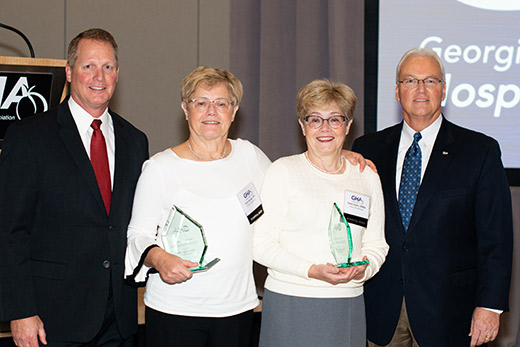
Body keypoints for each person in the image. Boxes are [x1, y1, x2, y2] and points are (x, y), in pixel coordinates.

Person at [352, 47, 513, 347]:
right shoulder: (367, 149)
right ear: (397, 92)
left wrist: (490, 306)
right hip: (380, 308)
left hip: (451, 312)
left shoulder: (479, 151)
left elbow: (497, 239)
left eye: (431, 80)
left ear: (444, 90)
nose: (421, 89)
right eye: (410, 81)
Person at [0, 28, 149, 347]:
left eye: (108, 67)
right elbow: (9, 231)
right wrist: (20, 311)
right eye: (88, 66)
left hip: (119, 320)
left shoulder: (135, 141)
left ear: (117, 74)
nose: (99, 76)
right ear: (69, 72)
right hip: (53, 320)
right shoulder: (29, 137)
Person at [253, 79, 389, 347]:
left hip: (348, 305)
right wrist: (311, 270)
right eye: (315, 119)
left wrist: (363, 269)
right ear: (302, 126)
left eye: (335, 119)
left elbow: (377, 245)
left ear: (348, 125)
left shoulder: (366, 177)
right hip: (291, 303)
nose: (325, 128)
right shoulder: (283, 171)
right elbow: (259, 245)